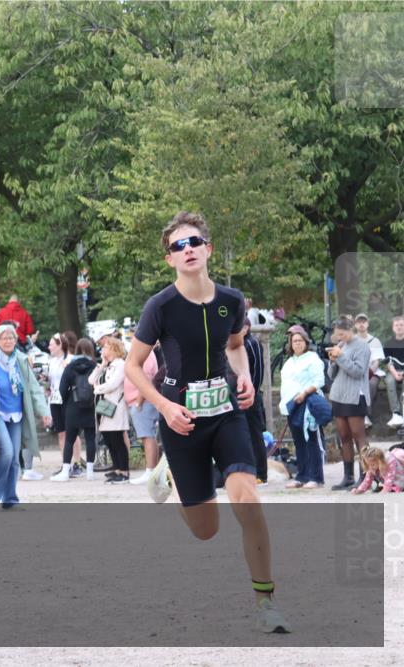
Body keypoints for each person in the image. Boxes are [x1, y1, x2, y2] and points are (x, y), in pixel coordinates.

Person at [125, 211, 290, 634]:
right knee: (205, 530)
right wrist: (163, 406)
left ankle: (266, 603)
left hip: (228, 414)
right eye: (178, 246)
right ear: (170, 260)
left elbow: (236, 346)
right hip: (181, 421)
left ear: (208, 248)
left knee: (248, 502)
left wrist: (245, 376)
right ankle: (175, 477)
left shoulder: (232, 301)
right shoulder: (159, 307)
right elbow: (133, 366)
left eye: (194, 242)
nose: (188, 250)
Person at [0, 323, 50, 508]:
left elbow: (34, 388)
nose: (9, 341)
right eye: (4, 338)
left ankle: (10, 499)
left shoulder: (20, 359)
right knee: (8, 452)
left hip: (16, 414)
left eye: (11, 338)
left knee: (14, 459)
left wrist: (44, 412)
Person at [279, 325, 327, 489]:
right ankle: (302, 476)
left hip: (308, 403)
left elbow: (319, 381)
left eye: (300, 341)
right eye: (294, 341)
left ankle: (316, 477)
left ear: (306, 342)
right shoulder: (289, 362)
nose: (297, 344)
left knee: (312, 440)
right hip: (291, 405)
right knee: (299, 441)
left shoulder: (312, 358)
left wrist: (305, 393)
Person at [327, 316, 371, 490]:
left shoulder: (362, 346)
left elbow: (358, 371)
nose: (340, 338)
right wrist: (333, 360)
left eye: (342, 334)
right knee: (344, 437)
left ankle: (366, 475)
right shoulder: (341, 345)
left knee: (358, 436)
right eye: (337, 335)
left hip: (355, 395)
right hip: (338, 394)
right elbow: (332, 375)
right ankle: (348, 476)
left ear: (351, 330)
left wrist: (341, 357)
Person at [54, 339, 98, 480]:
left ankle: (66, 471)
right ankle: (90, 471)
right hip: (90, 406)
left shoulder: (70, 366)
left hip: (73, 406)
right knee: (91, 438)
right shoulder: (95, 366)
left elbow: (61, 390)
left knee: (69, 439)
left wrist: (69, 402)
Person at [90, 337, 131, 483]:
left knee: (117, 440)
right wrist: (101, 365)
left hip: (115, 407)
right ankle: (117, 468)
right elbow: (91, 380)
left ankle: (124, 471)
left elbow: (112, 384)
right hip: (105, 407)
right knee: (109, 440)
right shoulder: (108, 365)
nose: (103, 350)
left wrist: (97, 389)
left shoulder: (120, 365)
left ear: (113, 349)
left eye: (105, 347)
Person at [124, 344, 160, 485]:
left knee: (147, 436)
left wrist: (139, 402)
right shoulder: (144, 354)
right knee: (147, 436)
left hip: (143, 402)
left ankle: (150, 471)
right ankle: (151, 470)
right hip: (139, 402)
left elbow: (146, 380)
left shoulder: (146, 355)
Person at [239, 318, 269, 485]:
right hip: (236, 395)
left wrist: (253, 391)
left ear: (247, 328)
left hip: (251, 395)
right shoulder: (233, 344)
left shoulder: (252, 343)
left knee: (255, 434)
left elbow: (258, 370)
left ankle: (261, 473)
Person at [45, 332, 73, 478]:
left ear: (60, 345)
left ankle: (75, 463)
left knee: (71, 432)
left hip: (67, 399)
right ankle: (65, 464)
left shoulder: (69, 359)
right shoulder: (51, 361)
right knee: (61, 432)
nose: (49, 346)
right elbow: (50, 381)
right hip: (54, 399)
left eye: (51, 344)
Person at [353, 314, 384, 429]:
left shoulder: (374, 341)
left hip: (372, 372)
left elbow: (376, 361)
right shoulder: (352, 341)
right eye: (359, 322)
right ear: (355, 325)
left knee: (370, 384)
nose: (361, 324)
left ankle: (366, 415)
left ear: (367, 324)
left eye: (364, 322)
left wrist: (369, 373)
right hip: (356, 372)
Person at [382, 316, 404, 427]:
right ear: (393, 328)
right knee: (389, 381)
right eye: (397, 325)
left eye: (401, 325)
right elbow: (387, 362)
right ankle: (396, 413)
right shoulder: (388, 343)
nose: (399, 327)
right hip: (393, 371)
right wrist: (395, 374)